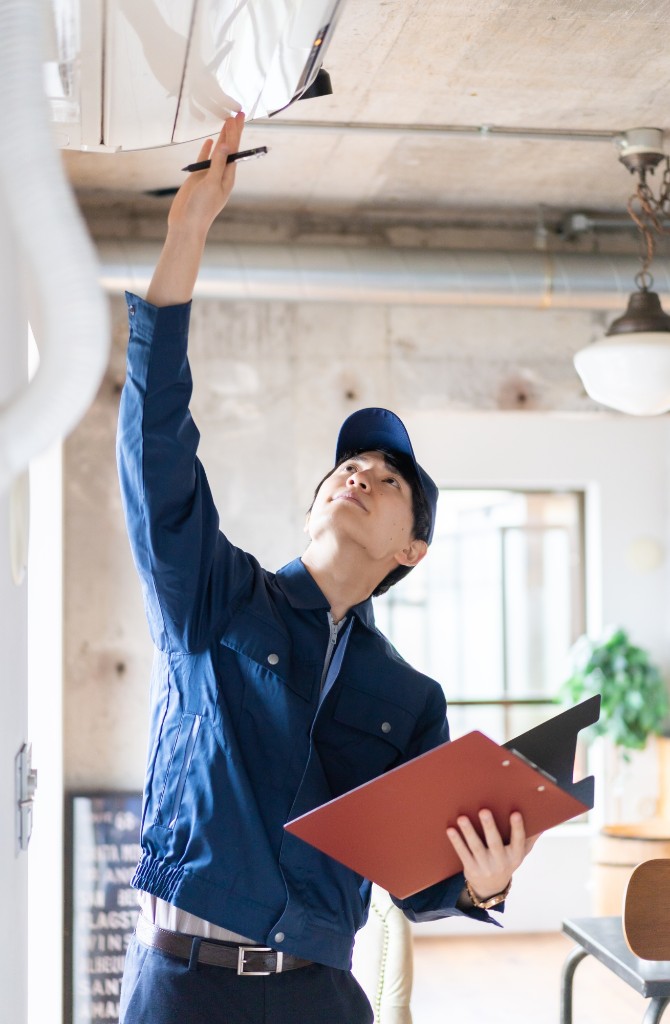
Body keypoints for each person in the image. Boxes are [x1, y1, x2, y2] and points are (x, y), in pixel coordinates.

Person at [116, 113, 538, 1024]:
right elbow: (156, 449)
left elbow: (419, 880)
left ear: (410, 550)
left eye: (389, 481)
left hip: (320, 996)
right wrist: (186, 234)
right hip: (180, 987)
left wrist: (482, 884)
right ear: (314, 505)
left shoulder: (407, 698)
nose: (361, 475)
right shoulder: (216, 598)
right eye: (348, 466)